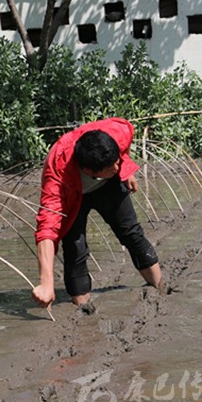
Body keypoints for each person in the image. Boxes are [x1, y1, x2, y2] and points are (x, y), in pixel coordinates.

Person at [31, 117, 163, 310]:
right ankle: (82, 310)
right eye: (111, 167)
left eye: (116, 163)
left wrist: (125, 168)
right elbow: (47, 228)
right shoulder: (57, 177)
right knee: (75, 249)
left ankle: (160, 288)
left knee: (132, 233)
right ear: (88, 170)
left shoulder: (116, 132)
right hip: (73, 195)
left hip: (108, 186)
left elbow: (125, 138)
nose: (116, 168)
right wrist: (46, 283)